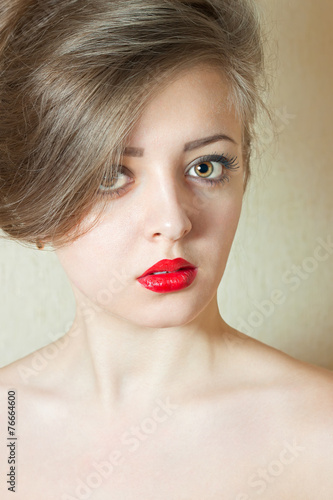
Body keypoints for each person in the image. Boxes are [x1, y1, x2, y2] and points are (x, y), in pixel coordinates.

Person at [0, 0, 332, 498]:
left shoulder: (321, 433)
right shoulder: (9, 431)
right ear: (40, 198)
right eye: (112, 174)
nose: (174, 222)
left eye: (205, 167)